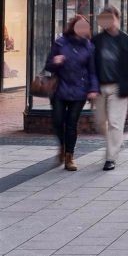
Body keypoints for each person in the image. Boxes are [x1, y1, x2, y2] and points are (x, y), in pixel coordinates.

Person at [45, 15, 99, 171]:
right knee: (57, 121)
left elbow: (92, 71)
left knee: (71, 124)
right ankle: (62, 146)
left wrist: (93, 89)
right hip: (59, 89)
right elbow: (48, 65)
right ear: (73, 27)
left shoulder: (89, 46)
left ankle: (69, 156)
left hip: (79, 91)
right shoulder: (60, 43)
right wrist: (55, 62)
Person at [92, 6, 128, 171]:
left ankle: (110, 157)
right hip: (100, 87)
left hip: (118, 88)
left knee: (115, 122)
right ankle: (115, 141)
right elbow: (90, 66)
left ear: (117, 18)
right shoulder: (97, 40)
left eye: (110, 17)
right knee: (99, 122)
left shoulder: (126, 40)